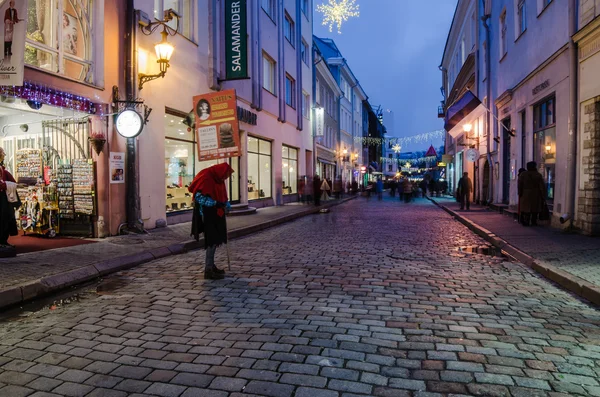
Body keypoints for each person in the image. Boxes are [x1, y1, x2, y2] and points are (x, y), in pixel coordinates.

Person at [188, 163, 234, 280]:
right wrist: (214, 203)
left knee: (215, 240)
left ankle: (211, 265)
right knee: (211, 240)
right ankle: (208, 269)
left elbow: (222, 195)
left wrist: (226, 205)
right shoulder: (207, 177)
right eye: (225, 175)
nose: (226, 178)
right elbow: (199, 197)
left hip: (217, 214)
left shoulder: (218, 178)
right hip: (208, 214)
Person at [0, 147, 17, 248]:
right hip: (2, 197)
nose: (4, 154)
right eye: (2, 153)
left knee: (5, 218)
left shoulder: (2, 168)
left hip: (4, 197)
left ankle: (3, 239)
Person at [518, 161, 545, 226]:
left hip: (525, 193)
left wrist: (520, 193)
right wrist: (543, 195)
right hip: (536, 194)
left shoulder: (523, 174)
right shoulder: (538, 175)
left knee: (526, 209)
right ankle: (534, 221)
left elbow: (520, 185)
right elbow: (542, 186)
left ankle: (526, 221)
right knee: (535, 209)